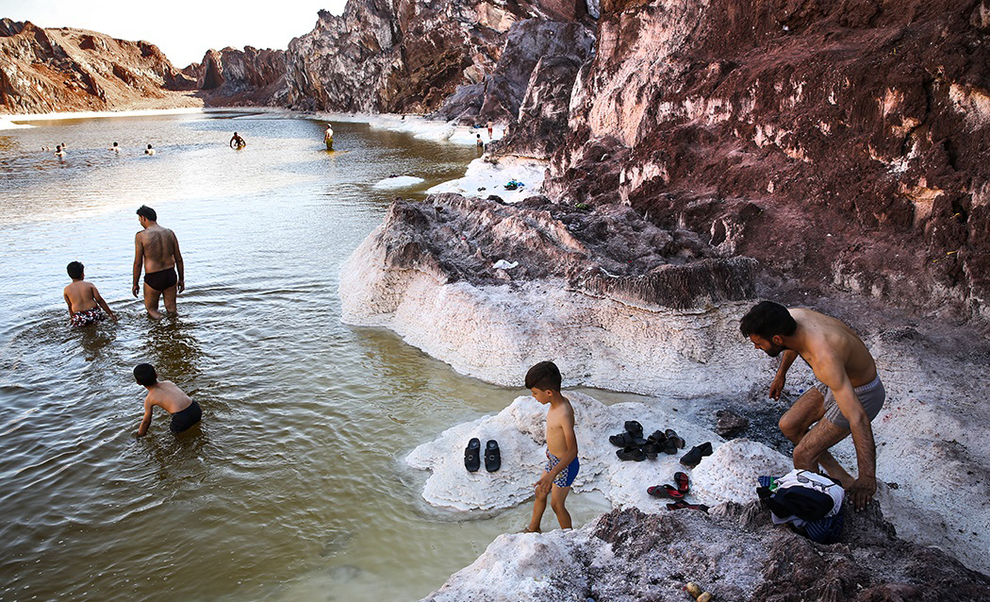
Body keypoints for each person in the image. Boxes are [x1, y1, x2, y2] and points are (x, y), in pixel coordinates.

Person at [740, 301, 886, 511]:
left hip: (863, 393)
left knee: (803, 454)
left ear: (776, 339)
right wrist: (781, 375)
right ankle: (840, 478)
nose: (756, 347)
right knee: (789, 425)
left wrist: (867, 477)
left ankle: (819, 508)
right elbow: (792, 344)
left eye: (759, 343)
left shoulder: (824, 356)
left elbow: (858, 418)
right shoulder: (793, 318)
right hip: (837, 381)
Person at [523, 361, 579, 533]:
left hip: (565, 466)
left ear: (548, 392)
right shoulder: (555, 404)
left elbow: (572, 451)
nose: (533, 396)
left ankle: (570, 538)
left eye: (534, 393)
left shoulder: (563, 412)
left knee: (556, 504)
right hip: (554, 461)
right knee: (540, 492)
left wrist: (553, 473)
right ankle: (533, 529)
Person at [132, 205, 184, 319]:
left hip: (153, 277)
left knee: (151, 309)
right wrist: (181, 279)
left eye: (139, 219)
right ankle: (174, 328)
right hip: (170, 274)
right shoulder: (169, 232)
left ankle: (161, 325)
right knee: (171, 308)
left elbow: (138, 263)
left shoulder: (141, 236)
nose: (140, 222)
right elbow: (179, 258)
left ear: (143, 218)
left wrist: (135, 283)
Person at [133, 363, 201, 436]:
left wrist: (139, 436)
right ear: (156, 375)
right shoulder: (168, 383)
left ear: (138, 383)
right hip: (195, 408)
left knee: (175, 438)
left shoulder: (149, 399)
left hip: (181, 418)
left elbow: (146, 422)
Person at [63, 261, 117, 327]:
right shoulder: (89, 285)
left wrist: (72, 319)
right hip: (94, 313)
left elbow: (70, 306)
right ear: (82, 274)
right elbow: (99, 300)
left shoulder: (66, 290)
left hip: (79, 317)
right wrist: (110, 313)